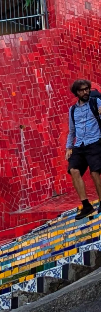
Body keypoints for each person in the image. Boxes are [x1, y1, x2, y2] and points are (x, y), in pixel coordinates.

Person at [66, 79, 101, 220]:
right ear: (76, 93)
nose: (86, 92)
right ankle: (86, 205)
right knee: (74, 170)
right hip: (79, 145)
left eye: (87, 89)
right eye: (82, 90)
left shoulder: (96, 102)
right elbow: (72, 130)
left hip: (94, 142)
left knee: (95, 173)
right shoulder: (73, 110)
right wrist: (68, 147)